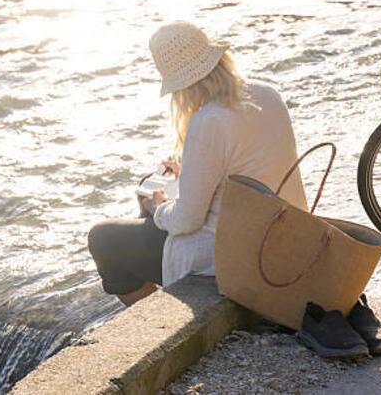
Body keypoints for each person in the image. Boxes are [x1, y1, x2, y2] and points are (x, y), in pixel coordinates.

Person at [88, 21, 307, 307]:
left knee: (103, 238)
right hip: (284, 234)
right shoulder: (267, 93)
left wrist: (159, 210)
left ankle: (158, 322)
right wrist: (188, 171)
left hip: (234, 253)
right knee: (152, 200)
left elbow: (187, 220)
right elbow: (245, 168)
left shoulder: (208, 121)